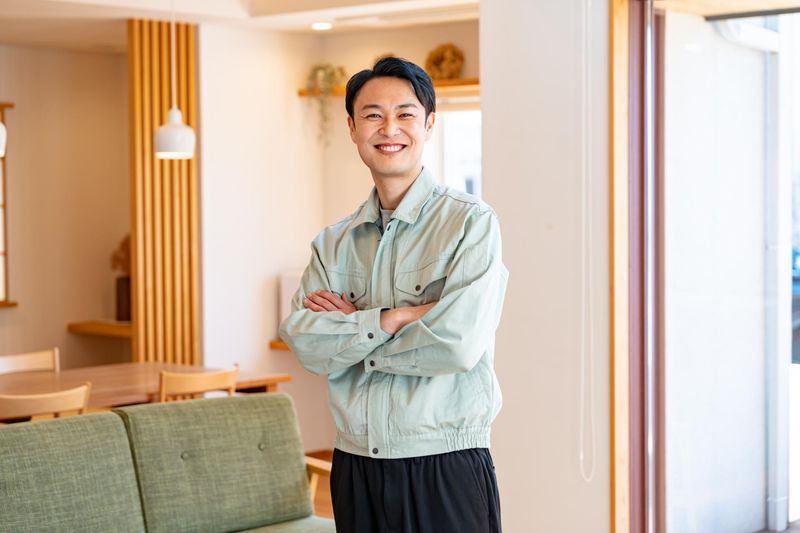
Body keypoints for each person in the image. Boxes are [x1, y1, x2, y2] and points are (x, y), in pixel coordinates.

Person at [279, 56, 508, 533]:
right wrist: (395, 318)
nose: (389, 129)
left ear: (429, 125)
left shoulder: (470, 223)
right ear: (352, 127)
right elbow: (305, 342)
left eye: (405, 114)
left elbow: (457, 344)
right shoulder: (333, 242)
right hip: (355, 464)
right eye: (373, 115)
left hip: (444, 463)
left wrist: (354, 336)